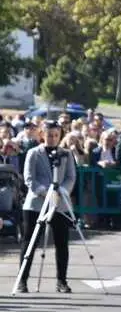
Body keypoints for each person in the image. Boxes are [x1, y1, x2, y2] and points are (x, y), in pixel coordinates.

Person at [15, 120, 77, 294]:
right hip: (37, 203)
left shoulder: (66, 153)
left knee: (61, 243)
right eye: (49, 135)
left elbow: (71, 177)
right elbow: (28, 178)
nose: (52, 138)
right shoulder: (34, 153)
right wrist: (44, 192)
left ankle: (61, 281)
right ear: (42, 135)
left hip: (59, 203)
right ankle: (22, 280)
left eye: (56, 135)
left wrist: (61, 191)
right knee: (30, 242)